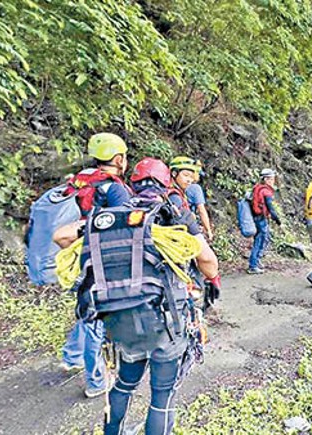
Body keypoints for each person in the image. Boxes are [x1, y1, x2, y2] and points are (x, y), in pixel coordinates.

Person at [58, 157, 221, 435]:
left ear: (132, 183)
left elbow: (61, 237)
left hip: (120, 319)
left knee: (123, 384)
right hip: (164, 321)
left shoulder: (113, 217)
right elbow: (208, 261)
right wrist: (208, 277)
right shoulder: (169, 214)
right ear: (166, 183)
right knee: (162, 395)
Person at [54, 133, 132, 398]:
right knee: (95, 317)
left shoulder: (80, 179)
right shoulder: (115, 188)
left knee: (85, 308)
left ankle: (71, 356)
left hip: (75, 251)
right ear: (118, 158)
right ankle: (96, 381)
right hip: (99, 256)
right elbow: (123, 225)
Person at [248, 169, 281, 274]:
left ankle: (256, 261)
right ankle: (253, 265)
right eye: (271, 179)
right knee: (261, 240)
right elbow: (271, 209)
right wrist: (278, 220)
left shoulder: (257, 188)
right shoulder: (266, 191)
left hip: (256, 217)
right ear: (265, 179)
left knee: (263, 239)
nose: (273, 181)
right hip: (261, 218)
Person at [186, 161, 214, 242]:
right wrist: (208, 230)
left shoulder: (178, 185)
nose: (199, 177)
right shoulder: (195, 188)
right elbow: (202, 210)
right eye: (198, 174)